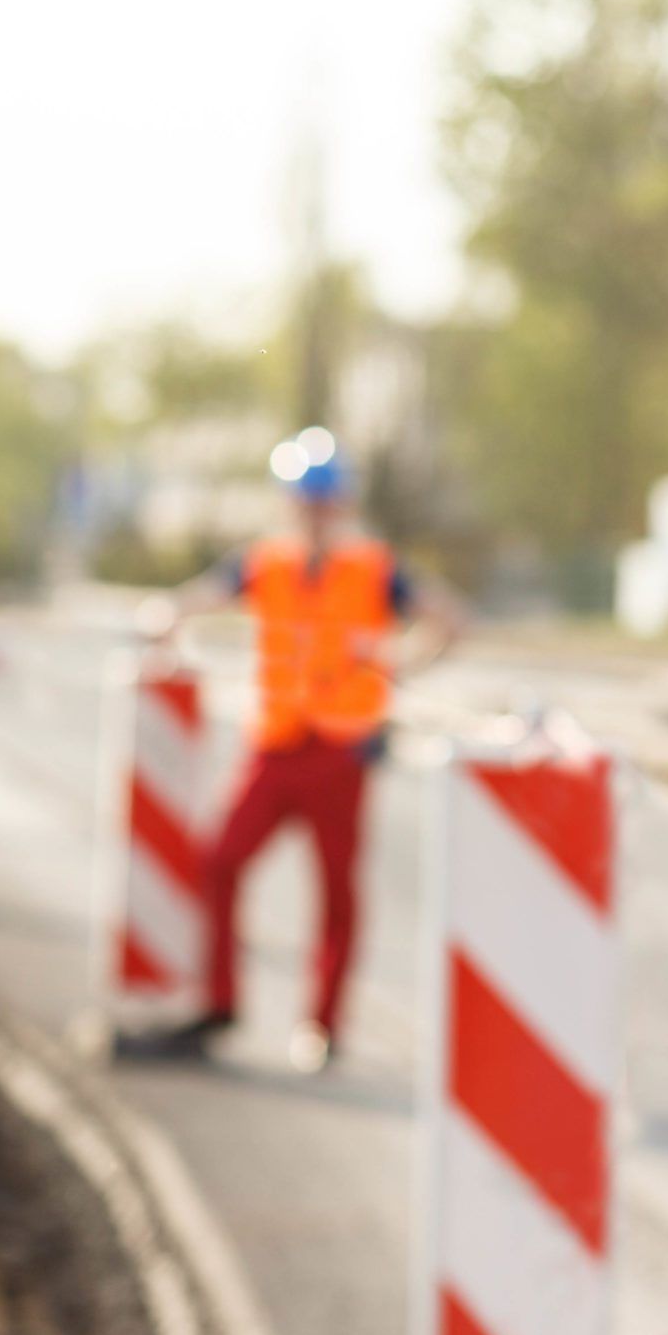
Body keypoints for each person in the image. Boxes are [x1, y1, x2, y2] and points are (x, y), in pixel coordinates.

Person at [143, 428, 459, 1072]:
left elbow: (449, 620)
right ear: (288, 504)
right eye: (304, 501)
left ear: (341, 505)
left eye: (325, 501)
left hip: (341, 753)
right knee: (221, 861)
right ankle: (221, 1002)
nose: (314, 514)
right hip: (276, 745)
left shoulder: (374, 569)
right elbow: (191, 603)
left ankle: (324, 1025)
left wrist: (397, 670)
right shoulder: (264, 564)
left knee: (336, 893)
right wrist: (164, 624)